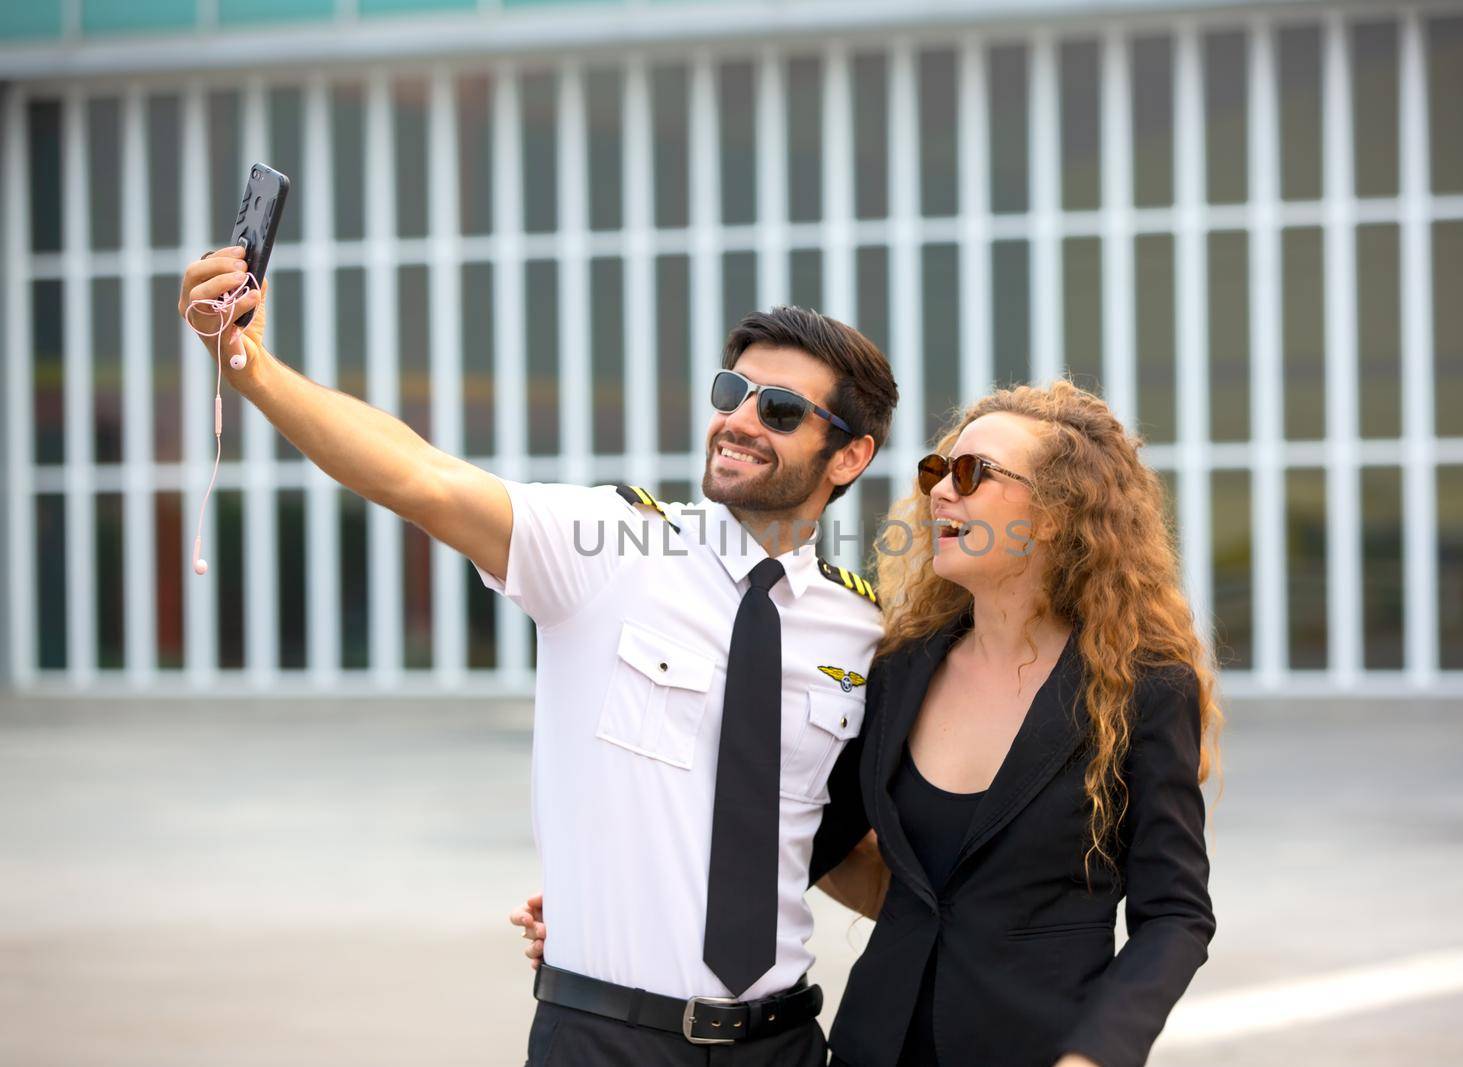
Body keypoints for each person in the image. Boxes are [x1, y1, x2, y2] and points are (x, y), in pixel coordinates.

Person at [177, 248, 898, 1066]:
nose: (737, 419)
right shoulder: (609, 547)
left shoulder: (862, 628)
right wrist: (249, 364)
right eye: (730, 392)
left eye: (777, 409)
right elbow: (419, 477)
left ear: (849, 456)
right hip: (604, 1040)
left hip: (784, 1043)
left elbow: (835, 840)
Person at [520, 379, 1220, 1067]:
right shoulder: (900, 668)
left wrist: (1097, 1054)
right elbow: (798, 841)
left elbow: (1176, 915)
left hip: (1041, 1046)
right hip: (872, 1044)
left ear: (1060, 514)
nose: (941, 489)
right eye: (937, 469)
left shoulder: (1144, 690)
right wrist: (617, 906)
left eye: (974, 473)